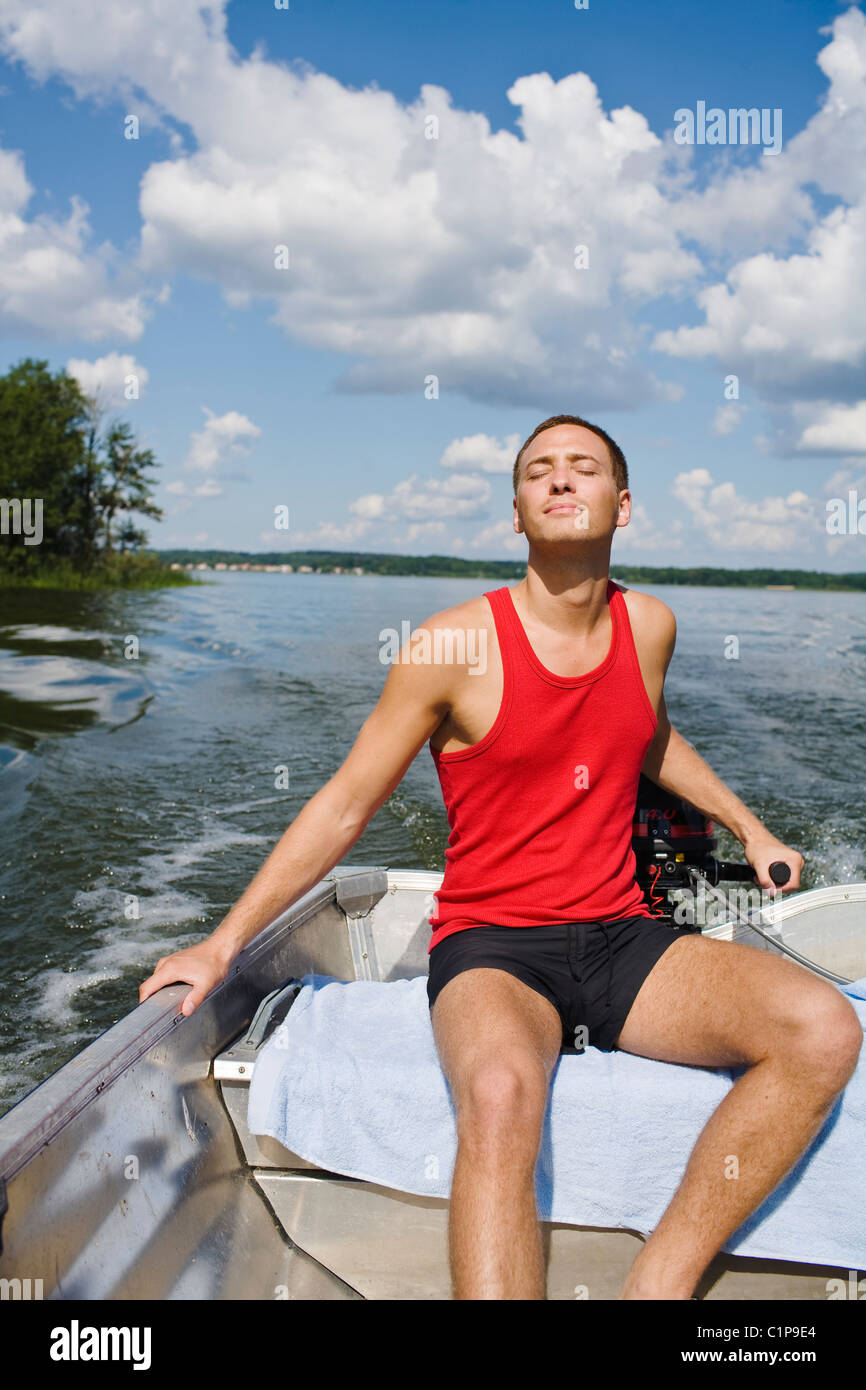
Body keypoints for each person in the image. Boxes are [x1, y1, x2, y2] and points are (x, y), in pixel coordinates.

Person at [139, 413, 862, 1300]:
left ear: (621, 504)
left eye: (583, 468)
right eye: (538, 473)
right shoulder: (451, 646)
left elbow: (645, 735)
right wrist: (224, 940)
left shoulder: (650, 627)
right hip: (495, 943)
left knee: (823, 1027)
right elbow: (345, 804)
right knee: (499, 1094)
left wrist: (749, 828)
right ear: (516, 513)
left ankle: (661, 1285)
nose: (561, 481)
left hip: (621, 935)